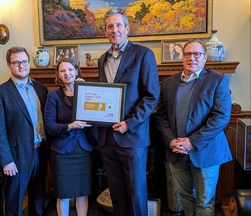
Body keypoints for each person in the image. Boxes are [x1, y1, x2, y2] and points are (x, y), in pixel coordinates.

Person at [154, 39, 232, 216]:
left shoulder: (217, 80)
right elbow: (161, 115)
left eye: (197, 54)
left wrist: (192, 142)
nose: (192, 58)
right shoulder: (168, 83)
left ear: (205, 58)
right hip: (176, 152)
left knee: (204, 202)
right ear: (182, 57)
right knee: (185, 197)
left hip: (206, 152)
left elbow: (221, 117)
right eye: (188, 54)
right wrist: (171, 140)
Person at [97, 8, 160, 216]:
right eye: (109, 26)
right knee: (117, 193)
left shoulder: (143, 54)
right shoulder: (102, 59)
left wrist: (129, 123)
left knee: (136, 193)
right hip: (107, 138)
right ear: (105, 31)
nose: (114, 30)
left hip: (132, 137)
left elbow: (151, 96)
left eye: (118, 25)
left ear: (127, 28)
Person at [0, 46, 48, 215]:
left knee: (38, 201)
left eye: (24, 61)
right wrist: (6, 160)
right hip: (15, 158)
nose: (21, 66)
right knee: (14, 204)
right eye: (16, 62)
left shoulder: (41, 89)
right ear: (9, 65)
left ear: (29, 63)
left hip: (40, 153)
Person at [44, 58, 96, 216]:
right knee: (63, 194)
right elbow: (49, 126)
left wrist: (85, 89)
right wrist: (70, 126)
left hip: (84, 150)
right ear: (58, 75)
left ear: (77, 72)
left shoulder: (88, 92)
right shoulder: (53, 96)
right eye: (62, 71)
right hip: (62, 152)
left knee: (83, 192)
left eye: (70, 69)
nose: (67, 73)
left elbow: (98, 114)